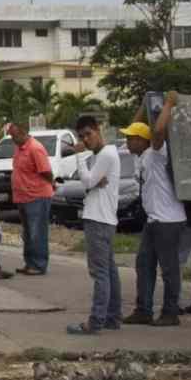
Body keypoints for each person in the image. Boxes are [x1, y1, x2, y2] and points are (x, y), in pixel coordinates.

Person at [123, 95, 185, 327]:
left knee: (169, 269)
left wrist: (168, 104)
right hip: (154, 220)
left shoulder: (158, 153)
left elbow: (158, 132)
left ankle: (170, 313)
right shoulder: (141, 156)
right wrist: (144, 105)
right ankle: (144, 310)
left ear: (142, 141)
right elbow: (136, 126)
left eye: (131, 138)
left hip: (169, 220)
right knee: (144, 265)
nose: (127, 142)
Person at [66, 114, 122, 335]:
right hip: (104, 218)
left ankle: (96, 321)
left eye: (88, 134)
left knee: (100, 273)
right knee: (109, 271)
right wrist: (93, 181)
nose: (86, 140)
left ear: (98, 130)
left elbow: (88, 181)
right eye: (82, 137)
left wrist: (80, 157)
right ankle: (112, 317)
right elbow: (92, 182)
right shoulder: (103, 155)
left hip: (98, 219)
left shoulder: (106, 154)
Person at [6, 121, 54, 276]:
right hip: (23, 197)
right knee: (28, 233)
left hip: (37, 196)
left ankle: (38, 264)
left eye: (14, 135)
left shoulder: (35, 148)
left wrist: (52, 183)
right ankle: (30, 263)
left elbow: (46, 172)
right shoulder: (19, 149)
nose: (12, 139)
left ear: (23, 132)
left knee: (37, 232)